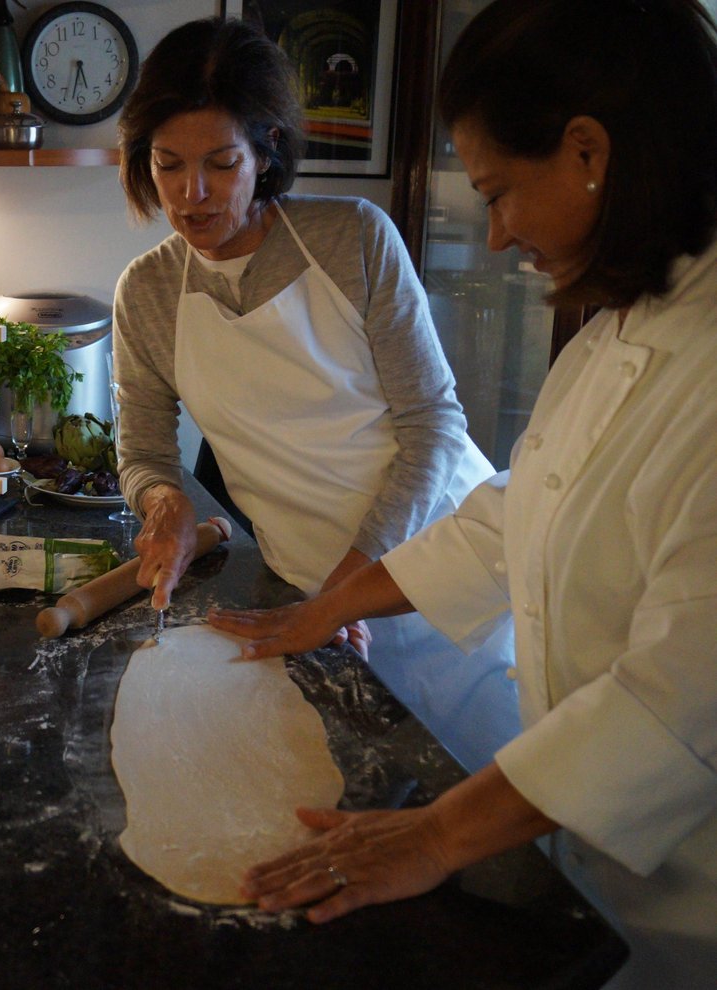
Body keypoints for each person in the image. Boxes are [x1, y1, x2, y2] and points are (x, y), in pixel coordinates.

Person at [209, 0, 717, 985]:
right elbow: (513, 514)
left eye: (500, 192)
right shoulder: (620, 325)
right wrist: (328, 607)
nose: (493, 236)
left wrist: (437, 835)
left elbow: (683, 694)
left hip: (697, 912)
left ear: (587, 151)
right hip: (599, 872)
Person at [111, 17, 518, 770]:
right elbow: (142, 449)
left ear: (265, 154)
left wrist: (346, 591)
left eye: (221, 165)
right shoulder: (148, 290)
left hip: (448, 569)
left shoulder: (353, 240)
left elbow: (433, 425)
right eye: (168, 165)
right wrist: (164, 509)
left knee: (495, 817)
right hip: (306, 593)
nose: (191, 195)